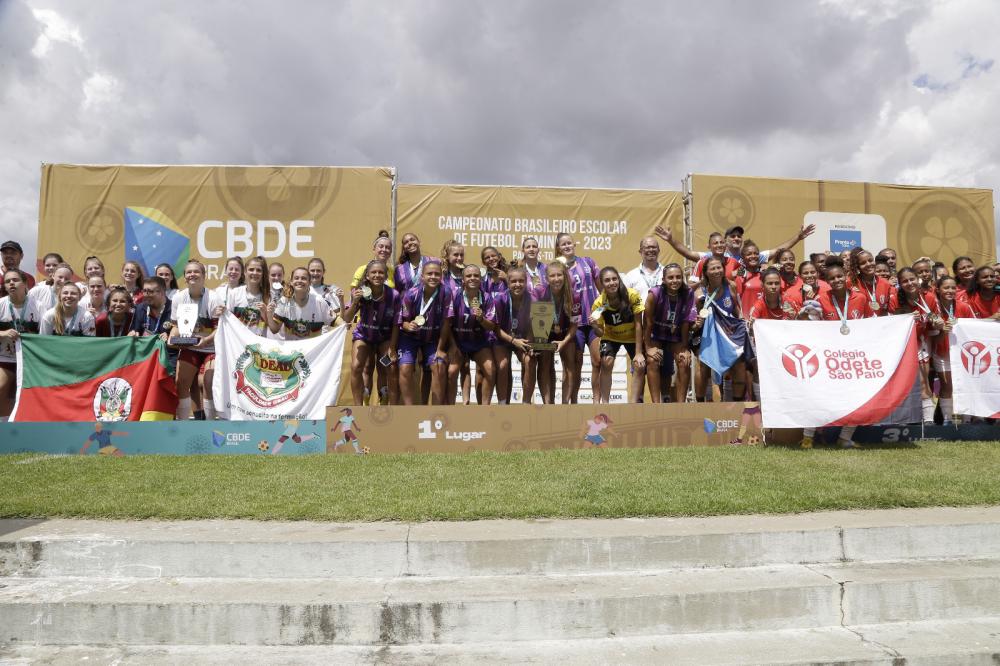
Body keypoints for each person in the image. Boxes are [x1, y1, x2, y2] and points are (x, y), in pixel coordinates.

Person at [797, 257, 873, 450]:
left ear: (846, 276)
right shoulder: (821, 299)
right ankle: (807, 437)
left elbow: (872, 326)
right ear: (827, 281)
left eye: (840, 276)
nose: (837, 280)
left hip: (853, 358)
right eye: (832, 278)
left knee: (857, 398)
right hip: (828, 357)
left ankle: (844, 438)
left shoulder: (861, 298)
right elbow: (808, 324)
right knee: (818, 396)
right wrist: (804, 314)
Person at [169, 260, 224, 421]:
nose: (192, 274)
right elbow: (176, 326)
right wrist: (172, 338)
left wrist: (206, 341)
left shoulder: (214, 297)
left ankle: (210, 425)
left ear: (203, 276)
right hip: (190, 347)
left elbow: (219, 328)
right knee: (181, 383)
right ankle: (184, 424)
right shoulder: (179, 298)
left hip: (211, 348)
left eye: (196, 272)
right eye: (188, 272)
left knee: (208, 381)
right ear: (184, 277)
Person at [342, 259, 401, 406]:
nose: (377, 275)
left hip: (384, 338)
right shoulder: (360, 292)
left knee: (391, 367)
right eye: (373, 272)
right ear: (367, 275)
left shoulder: (393, 295)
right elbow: (346, 318)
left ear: (386, 276)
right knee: (356, 367)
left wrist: (392, 348)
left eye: (381, 272)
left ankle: (393, 408)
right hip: (364, 336)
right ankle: (358, 407)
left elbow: (396, 324)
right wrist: (355, 302)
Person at [691, 255, 747, 402]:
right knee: (703, 365)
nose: (717, 271)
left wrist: (743, 322)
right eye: (712, 268)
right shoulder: (699, 292)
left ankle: (736, 404)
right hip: (705, 333)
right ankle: (701, 404)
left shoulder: (731, 286)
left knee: (738, 365)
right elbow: (693, 317)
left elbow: (736, 310)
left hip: (728, 333)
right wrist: (696, 323)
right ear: (706, 272)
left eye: (719, 267)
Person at [890, 267, 941, 426]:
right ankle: (902, 419)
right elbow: (891, 325)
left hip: (921, 345)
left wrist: (938, 324)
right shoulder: (895, 300)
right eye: (905, 281)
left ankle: (928, 421)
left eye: (912, 279)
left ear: (918, 278)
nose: (909, 283)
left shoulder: (930, 297)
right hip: (902, 347)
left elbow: (936, 321)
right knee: (902, 383)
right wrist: (906, 319)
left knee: (923, 381)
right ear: (900, 284)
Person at [555, 232, 600, 403]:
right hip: (574, 323)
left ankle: (596, 402)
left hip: (593, 321)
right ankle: (572, 403)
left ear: (574, 244)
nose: (567, 246)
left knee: (598, 361)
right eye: (563, 244)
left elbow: (602, 290)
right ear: (559, 248)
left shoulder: (588, 262)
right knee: (574, 366)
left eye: (569, 243)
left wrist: (599, 312)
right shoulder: (558, 267)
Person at [397, 260, 450, 405]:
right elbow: (403, 321)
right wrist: (409, 326)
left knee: (439, 365)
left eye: (437, 274)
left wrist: (440, 349)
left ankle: (436, 411)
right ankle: (410, 411)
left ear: (441, 277)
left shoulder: (446, 293)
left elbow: (447, 322)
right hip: (410, 338)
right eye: (429, 274)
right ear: (422, 277)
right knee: (405, 368)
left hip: (432, 340)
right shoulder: (411, 294)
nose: (433, 277)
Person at [590, 267, 645, 403]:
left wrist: (638, 353)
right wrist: (594, 326)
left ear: (619, 280)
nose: (611, 283)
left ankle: (633, 403)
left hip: (632, 336)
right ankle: (605, 404)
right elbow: (600, 333)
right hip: (611, 336)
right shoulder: (599, 303)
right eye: (607, 280)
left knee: (639, 364)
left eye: (614, 279)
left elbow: (639, 324)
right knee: (606, 362)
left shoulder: (632, 295)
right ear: (602, 284)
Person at [644, 263, 695, 404]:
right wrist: (648, 348)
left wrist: (685, 348)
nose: (675, 280)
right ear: (664, 280)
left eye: (678, 277)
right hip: (656, 333)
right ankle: (656, 404)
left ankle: (681, 404)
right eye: (671, 277)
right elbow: (647, 322)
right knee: (652, 360)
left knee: (684, 360)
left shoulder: (688, 293)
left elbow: (685, 321)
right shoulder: (654, 294)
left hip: (675, 335)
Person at [447, 264, 498, 404]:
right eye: (468, 276)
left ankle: (485, 408)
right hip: (458, 342)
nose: (472, 278)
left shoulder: (487, 298)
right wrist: (452, 345)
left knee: (491, 370)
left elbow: (491, 326)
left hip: (479, 343)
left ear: (480, 279)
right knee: (452, 372)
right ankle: (451, 408)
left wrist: (481, 319)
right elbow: (447, 324)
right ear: (462, 280)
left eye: (476, 275)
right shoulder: (454, 296)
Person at [532, 261, 579, 404]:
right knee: (544, 361)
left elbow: (574, 324)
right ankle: (547, 404)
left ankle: (565, 403)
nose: (556, 279)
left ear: (564, 276)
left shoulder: (573, 295)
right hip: (544, 332)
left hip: (565, 334)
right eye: (552, 276)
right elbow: (536, 322)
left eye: (559, 275)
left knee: (570, 361)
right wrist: (540, 343)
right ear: (546, 278)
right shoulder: (539, 292)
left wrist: (563, 342)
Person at [932, 276, 974, 426]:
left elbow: (972, 331)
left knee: (966, 384)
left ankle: (967, 419)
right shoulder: (934, 309)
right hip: (942, 353)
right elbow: (932, 340)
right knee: (947, 385)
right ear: (938, 289)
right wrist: (943, 331)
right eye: (946, 288)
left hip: (962, 354)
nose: (950, 291)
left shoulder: (963, 307)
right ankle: (948, 420)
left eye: (953, 288)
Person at [0, 269, 42, 419]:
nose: (11, 283)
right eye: (7, 281)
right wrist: (3, 333)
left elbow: (46, 337)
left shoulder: (39, 306)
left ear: (25, 283)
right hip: (6, 358)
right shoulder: (1, 305)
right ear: (4, 287)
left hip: (32, 361)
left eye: (15, 280)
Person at [492, 266, 535, 403]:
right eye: (514, 281)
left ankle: (526, 403)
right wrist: (513, 340)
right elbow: (496, 329)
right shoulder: (500, 299)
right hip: (502, 338)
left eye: (521, 281)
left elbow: (533, 327)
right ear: (508, 282)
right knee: (503, 365)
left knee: (530, 360)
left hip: (522, 338)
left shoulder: (533, 300)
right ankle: (503, 403)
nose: (517, 284)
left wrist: (529, 342)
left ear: (526, 281)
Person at [267, 267, 336, 339]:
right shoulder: (284, 302)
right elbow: (274, 330)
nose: (299, 281)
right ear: (291, 282)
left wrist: (343, 324)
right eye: (296, 278)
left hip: (314, 350)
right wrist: (269, 314)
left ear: (309, 282)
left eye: (303, 278)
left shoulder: (320, 302)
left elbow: (334, 321)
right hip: (292, 350)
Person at [227, 256, 270, 337]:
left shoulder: (268, 295)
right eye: (251, 269)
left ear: (263, 273)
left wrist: (265, 314)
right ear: (245, 272)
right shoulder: (234, 293)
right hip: (238, 343)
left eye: (259, 270)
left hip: (258, 346)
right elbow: (228, 321)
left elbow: (272, 329)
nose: (255, 273)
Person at [848, 248, 892, 316]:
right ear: (858, 267)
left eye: (870, 260)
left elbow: (888, 309)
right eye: (863, 263)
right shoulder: (851, 282)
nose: (868, 264)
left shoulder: (885, 284)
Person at [623, 236, 664, 303]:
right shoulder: (631, 276)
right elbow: (624, 300)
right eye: (647, 247)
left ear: (659, 250)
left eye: (654, 247)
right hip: (639, 313)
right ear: (640, 251)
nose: (651, 250)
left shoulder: (667, 273)